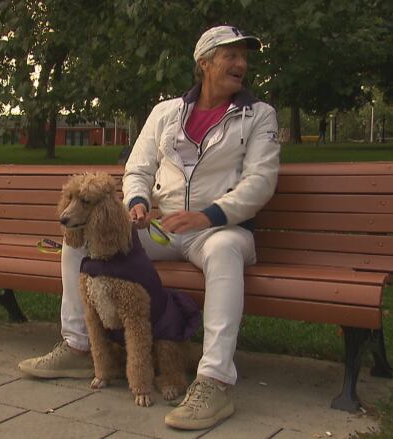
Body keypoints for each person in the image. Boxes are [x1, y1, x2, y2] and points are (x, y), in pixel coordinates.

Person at [18, 25, 280, 430]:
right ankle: (78, 346)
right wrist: (136, 203)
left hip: (219, 229)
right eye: (231, 55)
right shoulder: (166, 113)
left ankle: (214, 380)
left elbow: (260, 183)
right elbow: (138, 168)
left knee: (225, 251)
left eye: (244, 57)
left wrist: (207, 215)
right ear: (205, 63)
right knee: (79, 241)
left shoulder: (258, 116)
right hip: (162, 227)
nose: (241, 64)